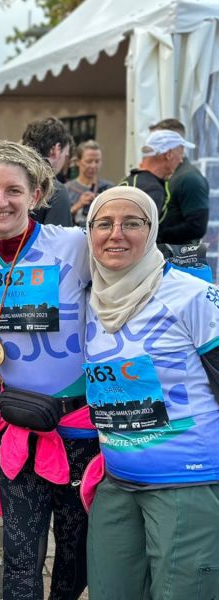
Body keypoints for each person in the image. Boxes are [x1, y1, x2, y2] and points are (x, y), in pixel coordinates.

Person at [0, 140, 98, 600]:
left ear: (37, 192)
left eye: (13, 190)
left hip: (79, 431)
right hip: (18, 429)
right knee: (20, 558)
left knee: (74, 556)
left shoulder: (75, 245)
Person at [82, 186, 219, 599]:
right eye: (103, 223)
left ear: (153, 229)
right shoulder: (90, 298)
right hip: (119, 480)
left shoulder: (191, 295)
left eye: (132, 223)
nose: (116, 234)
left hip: (187, 481)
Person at [149, 119, 209, 245]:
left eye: (157, 144)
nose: (152, 151)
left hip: (179, 259)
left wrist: (156, 234)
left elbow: (197, 227)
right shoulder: (168, 176)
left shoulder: (189, 179)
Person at [21, 117, 74, 227]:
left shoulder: (3, 182)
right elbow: (58, 241)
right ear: (56, 149)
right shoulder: (55, 191)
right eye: (66, 155)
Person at [120, 129, 188, 214]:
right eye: (181, 154)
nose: (181, 160)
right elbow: (143, 226)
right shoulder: (153, 189)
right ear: (169, 154)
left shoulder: (131, 179)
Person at [65, 140, 113, 227]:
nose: (94, 165)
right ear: (78, 162)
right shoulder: (66, 189)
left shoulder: (109, 189)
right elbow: (59, 220)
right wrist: (77, 206)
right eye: (89, 161)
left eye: (97, 161)